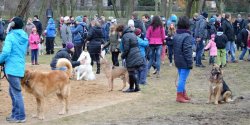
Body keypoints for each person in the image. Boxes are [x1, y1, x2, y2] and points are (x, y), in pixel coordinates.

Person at [0, 17, 28, 123]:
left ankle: (20, 116)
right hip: (19, 67)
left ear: (12, 25)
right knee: (13, 92)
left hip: (12, 68)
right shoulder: (24, 36)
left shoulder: (11, 36)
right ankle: (15, 114)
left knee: (16, 93)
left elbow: (6, 52)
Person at [116, 25, 144, 92]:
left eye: (119, 32)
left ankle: (132, 88)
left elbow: (126, 49)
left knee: (131, 72)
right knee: (133, 72)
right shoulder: (132, 33)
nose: (119, 34)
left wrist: (122, 56)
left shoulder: (125, 36)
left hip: (131, 55)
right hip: (137, 53)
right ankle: (136, 87)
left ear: (121, 31)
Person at [172, 16, 193, 103]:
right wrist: (190, 62)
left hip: (177, 59)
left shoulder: (176, 35)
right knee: (182, 79)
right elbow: (187, 50)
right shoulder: (187, 36)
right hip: (184, 61)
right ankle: (179, 95)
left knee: (182, 77)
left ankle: (183, 94)